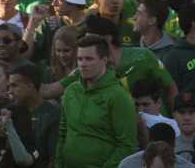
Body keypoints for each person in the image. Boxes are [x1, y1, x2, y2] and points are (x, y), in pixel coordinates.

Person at [56, 34, 137, 168]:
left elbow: (126, 145)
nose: (83, 64)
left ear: (104, 60)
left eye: (89, 59)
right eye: (80, 59)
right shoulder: (71, 91)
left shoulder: (119, 97)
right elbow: (63, 132)